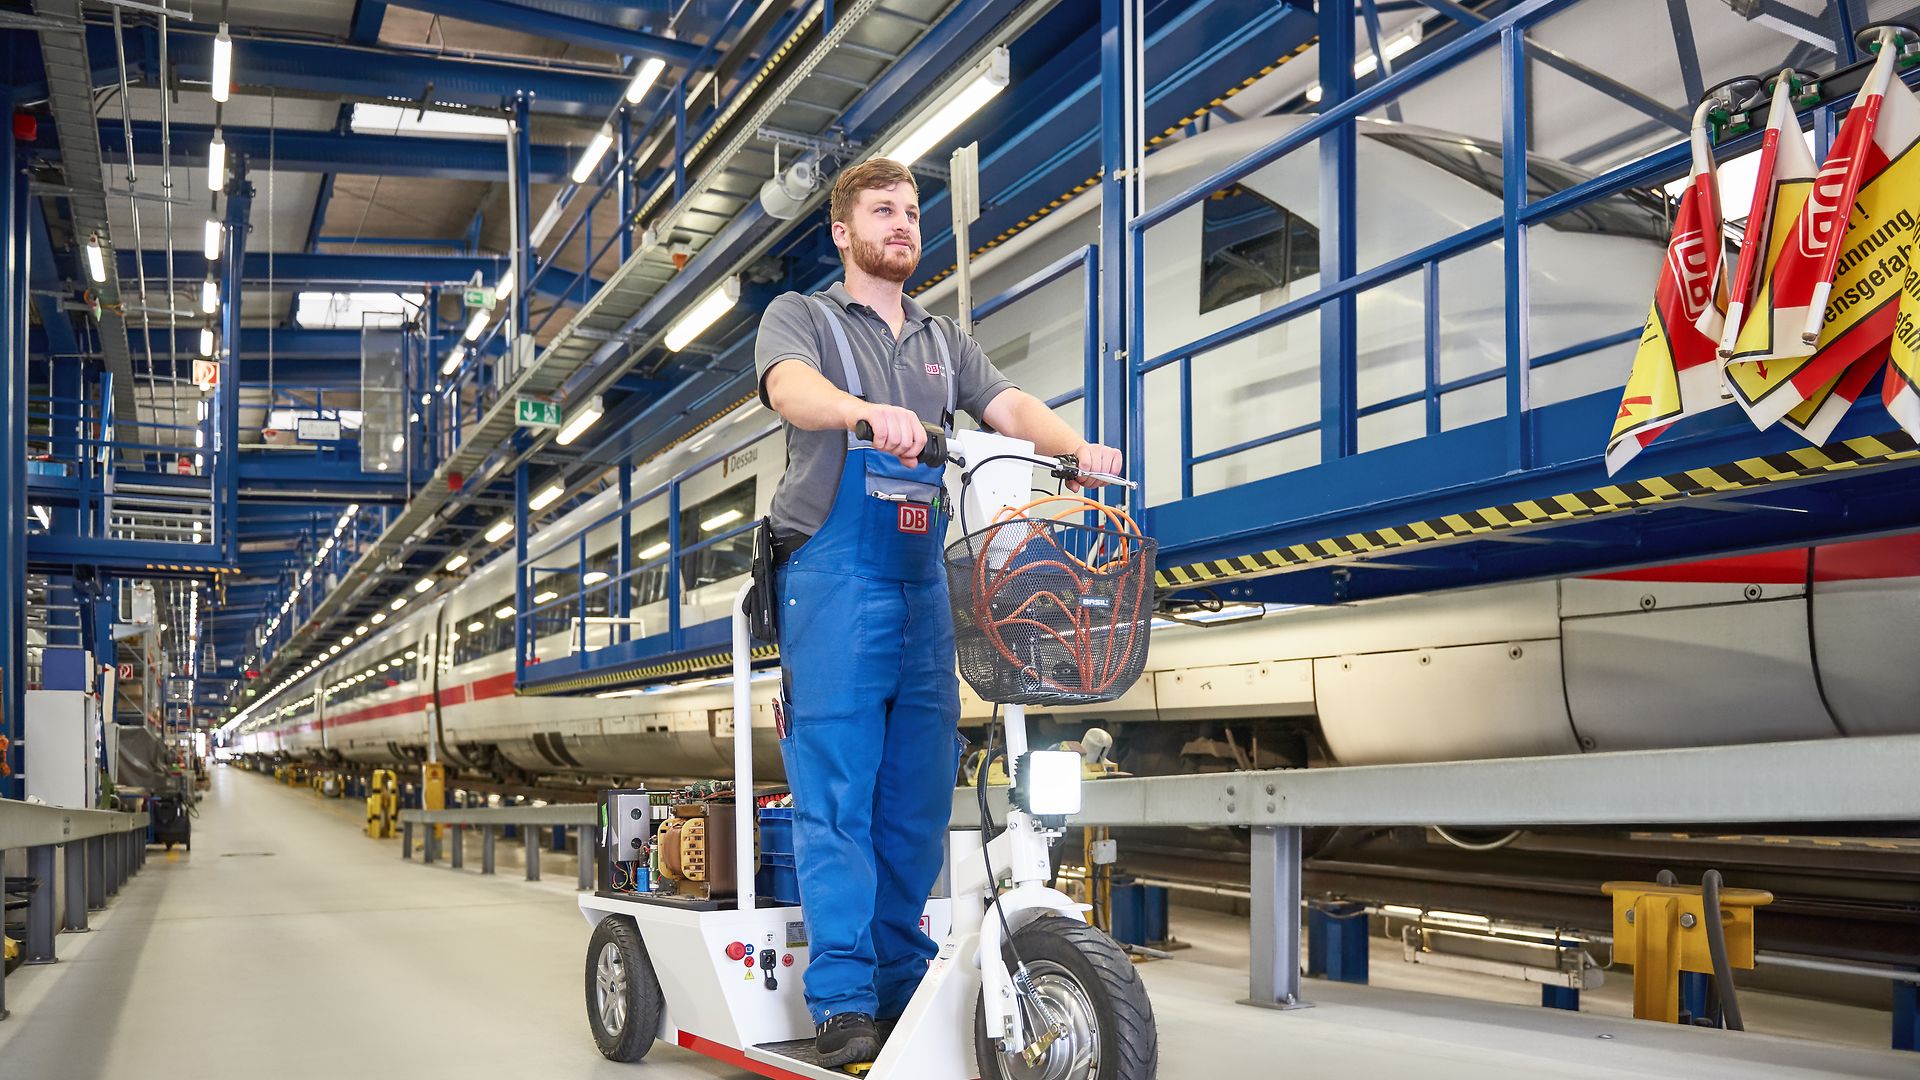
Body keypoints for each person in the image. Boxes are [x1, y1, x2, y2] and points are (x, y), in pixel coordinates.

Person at [753, 157, 1122, 1066]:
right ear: (843, 232)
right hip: (833, 583)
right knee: (837, 797)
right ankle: (841, 999)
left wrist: (1076, 447)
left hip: (921, 584)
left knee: (915, 799)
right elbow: (786, 390)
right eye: (884, 211)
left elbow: (1007, 403)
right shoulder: (803, 317)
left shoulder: (940, 337)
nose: (904, 224)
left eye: (914, 212)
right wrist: (864, 413)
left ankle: (899, 977)